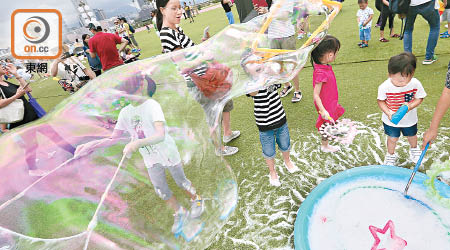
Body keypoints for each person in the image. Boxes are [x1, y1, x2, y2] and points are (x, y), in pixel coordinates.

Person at [74, 79, 204, 234]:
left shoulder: (152, 106)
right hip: (150, 157)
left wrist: (137, 144)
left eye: (132, 92)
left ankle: (196, 199)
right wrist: (90, 145)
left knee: (181, 181)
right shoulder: (125, 113)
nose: (129, 97)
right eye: (125, 94)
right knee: (160, 188)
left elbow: (160, 134)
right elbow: (113, 138)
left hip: (167, 152)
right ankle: (179, 211)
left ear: (142, 87)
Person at [156, 0, 240, 156]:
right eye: (174, 8)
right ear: (162, 10)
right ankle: (219, 148)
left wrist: (202, 45)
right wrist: (204, 57)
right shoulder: (166, 33)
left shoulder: (176, 28)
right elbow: (183, 66)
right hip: (199, 82)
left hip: (208, 74)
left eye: (180, 7)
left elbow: (189, 52)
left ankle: (227, 133)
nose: (179, 11)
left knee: (226, 100)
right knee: (212, 115)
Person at [0, 63, 75, 176]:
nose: (2, 65)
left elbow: (28, 89)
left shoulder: (6, 82)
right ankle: (33, 169)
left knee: (52, 134)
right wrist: (16, 96)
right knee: (32, 145)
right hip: (22, 120)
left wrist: (16, 74)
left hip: (31, 115)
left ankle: (74, 151)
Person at [245, 80, 299, 186]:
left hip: (280, 118)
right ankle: (272, 171)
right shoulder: (251, 83)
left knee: (285, 144)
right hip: (264, 124)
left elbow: (280, 81)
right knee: (268, 151)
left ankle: (287, 161)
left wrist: (271, 75)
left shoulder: (271, 75)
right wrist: (261, 81)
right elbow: (252, 93)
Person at [377, 52, 426, 165]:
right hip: (391, 120)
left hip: (410, 120)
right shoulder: (385, 87)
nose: (402, 83)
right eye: (399, 81)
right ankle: (390, 155)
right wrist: (388, 112)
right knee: (392, 138)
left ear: (412, 74)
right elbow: (381, 101)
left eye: (405, 80)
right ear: (390, 74)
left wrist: (410, 106)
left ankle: (414, 149)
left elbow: (420, 98)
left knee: (412, 136)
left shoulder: (415, 84)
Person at [258, 0, 303, 103]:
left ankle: (297, 90)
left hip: (286, 36)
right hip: (273, 37)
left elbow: (285, 16)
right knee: (278, 65)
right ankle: (287, 85)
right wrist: (263, 14)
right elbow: (266, 21)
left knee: (291, 65)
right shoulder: (269, 2)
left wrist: (268, 12)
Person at [311, 35, 344, 153]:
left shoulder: (323, 67)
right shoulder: (321, 72)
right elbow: (316, 95)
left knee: (332, 119)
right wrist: (323, 110)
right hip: (325, 105)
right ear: (330, 55)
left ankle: (333, 129)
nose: (336, 55)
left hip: (330, 100)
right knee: (326, 126)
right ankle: (324, 146)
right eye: (336, 52)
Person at [403, 0, 440, 64]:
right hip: (428, 3)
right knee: (435, 27)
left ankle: (408, 58)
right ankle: (429, 57)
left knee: (407, 30)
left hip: (409, 4)